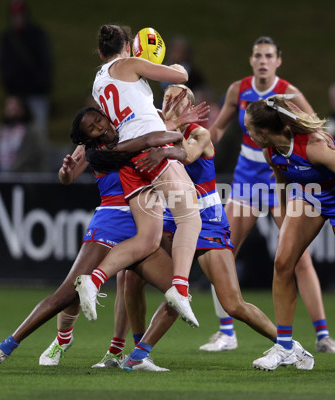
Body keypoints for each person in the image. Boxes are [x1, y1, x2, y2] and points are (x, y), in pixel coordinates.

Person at [118, 84, 312, 370]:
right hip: (174, 219)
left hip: (207, 221)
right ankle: (138, 353)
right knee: (134, 277)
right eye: (166, 98)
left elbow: (185, 155)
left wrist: (171, 126)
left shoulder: (199, 133)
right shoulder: (156, 131)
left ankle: (289, 346)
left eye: (178, 99)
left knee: (233, 304)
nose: (170, 103)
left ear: (190, 108)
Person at [0, 123, 187, 370]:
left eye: (100, 119)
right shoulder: (94, 147)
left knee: (177, 293)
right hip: (111, 223)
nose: (100, 124)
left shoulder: (136, 127)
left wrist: (173, 134)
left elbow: (177, 148)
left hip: (144, 225)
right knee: (67, 295)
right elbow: (67, 177)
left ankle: (138, 355)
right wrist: (66, 171)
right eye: (93, 125)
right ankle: (12, 346)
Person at [207, 36, 335, 354]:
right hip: (245, 178)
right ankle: (226, 332)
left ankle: (323, 336)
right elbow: (218, 129)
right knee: (220, 249)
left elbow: (317, 129)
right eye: (258, 55)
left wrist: (324, 157)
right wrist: (198, 149)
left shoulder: (289, 93)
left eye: (269, 55)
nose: (263, 60)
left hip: (281, 177)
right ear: (251, 60)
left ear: (278, 61)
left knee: (298, 258)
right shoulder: (238, 90)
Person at [243, 95, 335, 371]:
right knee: (282, 262)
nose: (248, 135)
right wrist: (286, 223)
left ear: (263, 131)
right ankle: (284, 346)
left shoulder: (314, 146)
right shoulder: (271, 151)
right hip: (310, 198)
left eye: (250, 130)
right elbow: (282, 184)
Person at [73, 24, 205, 328]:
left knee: (146, 239)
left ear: (99, 51)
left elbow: (134, 110)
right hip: (151, 147)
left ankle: (93, 280)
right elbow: (181, 76)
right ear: (127, 47)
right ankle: (180, 289)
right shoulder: (129, 63)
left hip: (126, 156)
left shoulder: (98, 81)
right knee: (189, 217)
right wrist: (165, 62)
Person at [0, 0, 53, 139]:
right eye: (14, 15)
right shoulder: (8, 38)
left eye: (20, 15)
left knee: (38, 133)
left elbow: (46, 62)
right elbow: (3, 64)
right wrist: (9, 87)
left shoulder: (37, 35)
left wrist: (43, 83)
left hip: (36, 92)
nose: (17, 18)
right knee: (16, 135)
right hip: (16, 93)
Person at [0, 95, 47, 172]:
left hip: (24, 175)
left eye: (14, 106)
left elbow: (31, 156)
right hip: (2, 175)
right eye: (8, 106)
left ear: (22, 109)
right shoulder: (2, 131)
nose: (10, 109)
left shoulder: (31, 132)